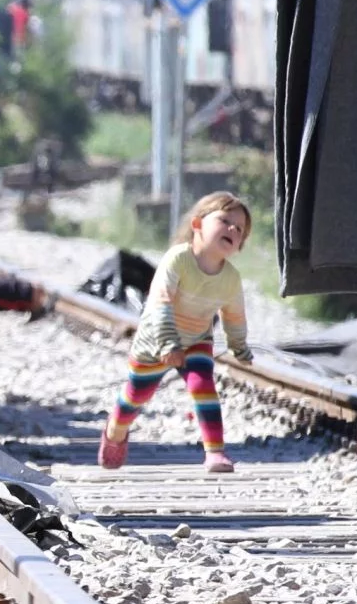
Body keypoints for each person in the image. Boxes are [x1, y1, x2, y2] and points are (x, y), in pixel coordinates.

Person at [99, 192, 254, 474]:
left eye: (239, 228)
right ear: (197, 224)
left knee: (202, 384)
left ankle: (215, 452)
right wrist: (168, 344)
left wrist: (238, 345)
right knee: (137, 396)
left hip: (196, 341)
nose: (232, 229)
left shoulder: (230, 278)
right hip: (155, 342)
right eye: (224, 220)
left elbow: (234, 314)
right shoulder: (178, 259)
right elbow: (160, 302)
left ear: (240, 244)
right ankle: (114, 431)